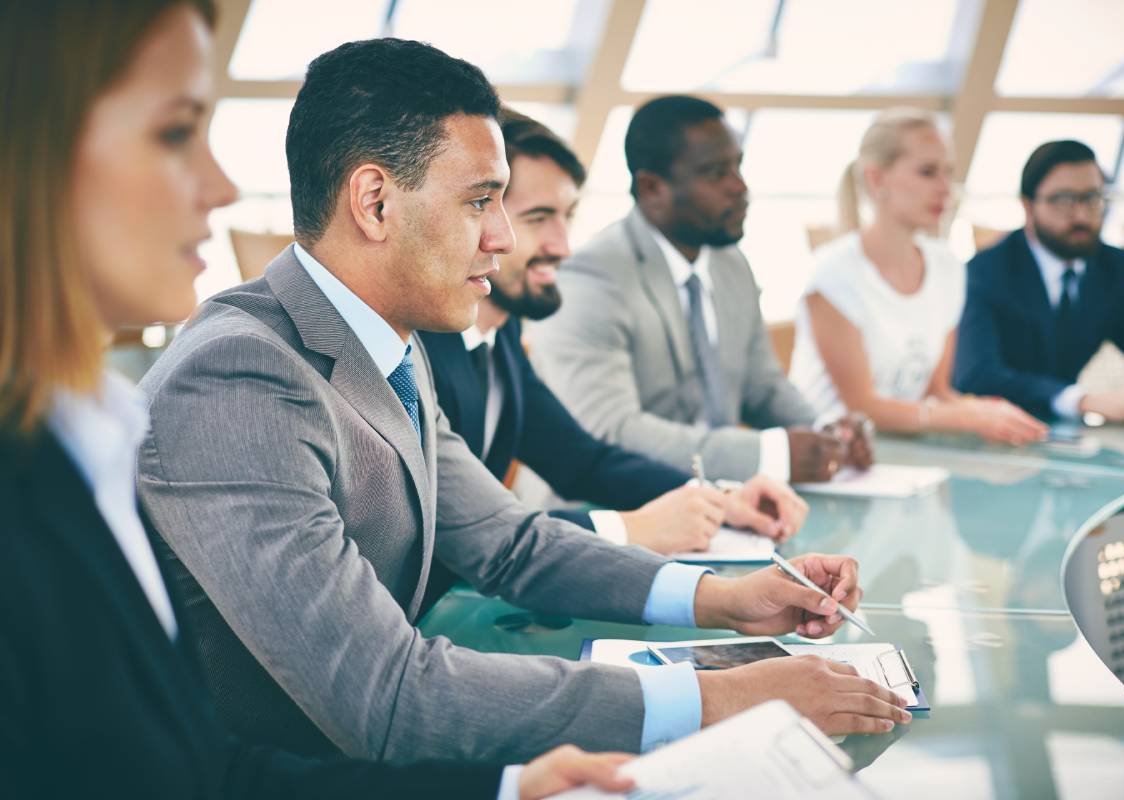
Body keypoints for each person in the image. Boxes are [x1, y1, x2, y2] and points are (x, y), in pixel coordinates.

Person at [133, 39, 912, 769]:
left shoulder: (385, 342)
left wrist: (730, 597)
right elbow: (387, 694)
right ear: (373, 203)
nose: (503, 238)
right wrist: (727, 695)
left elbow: (510, 544)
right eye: (481, 201)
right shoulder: (240, 376)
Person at [0, 2, 637, 798]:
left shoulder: (84, 432)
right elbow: (378, 697)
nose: (221, 185)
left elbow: (195, 768)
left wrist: (508, 789)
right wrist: (701, 697)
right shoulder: (229, 376)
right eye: (173, 133)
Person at [420, 108, 808, 568]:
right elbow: (475, 533)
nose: (563, 245)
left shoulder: (497, 339)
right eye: (539, 218)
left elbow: (582, 460)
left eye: (567, 216)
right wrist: (631, 529)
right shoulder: (421, 353)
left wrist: (720, 499)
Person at [527, 95, 873, 484]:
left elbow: (761, 386)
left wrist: (826, 431)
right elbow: (612, 431)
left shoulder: (731, 263)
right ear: (652, 187)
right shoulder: (592, 277)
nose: (739, 187)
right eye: (714, 173)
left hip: (726, 507)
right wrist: (767, 455)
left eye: (738, 166)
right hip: (613, 510)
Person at [789, 109, 1047, 445]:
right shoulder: (833, 276)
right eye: (928, 173)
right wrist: (965, 416)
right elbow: (863, 408)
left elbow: (935, 392)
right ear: (877, 179)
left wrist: (991, 413)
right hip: (832, 460)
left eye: (947, 173)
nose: (945, 188)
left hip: (907, 456)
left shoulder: (947, 267)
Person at [954, 139, 1124, 420]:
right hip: (989, 438)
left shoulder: (1111, 266)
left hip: (1062, 437)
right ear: (1028, 206)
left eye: (1092, 199)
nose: (1082, 215)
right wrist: (1084, 401)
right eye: (1064, 201)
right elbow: (977, 376)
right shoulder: (985, 272)